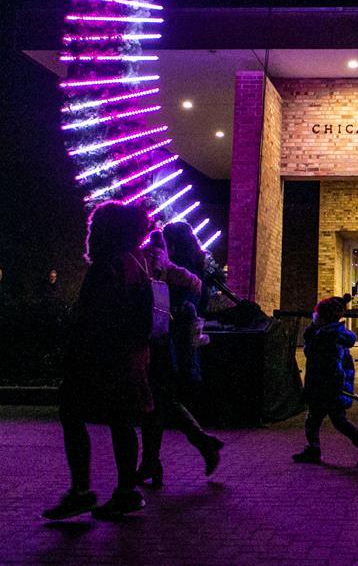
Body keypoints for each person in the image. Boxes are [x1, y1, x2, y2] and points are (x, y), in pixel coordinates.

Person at [43, 202, 154, 520]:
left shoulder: (106, 267)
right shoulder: (136, 262)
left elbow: (93, 317)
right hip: (130, 355)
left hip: (101, 357)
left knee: (71, 412)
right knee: (122, 421)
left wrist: (78, 351)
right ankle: (125, 491)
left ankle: (81, 490)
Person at [136, 224, 223, 488]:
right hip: (177, 341)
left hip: (165, 339)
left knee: (156, 399)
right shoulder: (196, 265)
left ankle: (161, 458)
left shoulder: (170, 267)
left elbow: (168, 301)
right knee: (160, 399)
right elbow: (201, 299)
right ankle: (156, 460)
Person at [292, 296, 358, 466]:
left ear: (324, 317)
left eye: (317, 315)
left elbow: (333, 364)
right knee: (319, 420)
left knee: (331, 420)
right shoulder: (323, 334)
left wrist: (336, 385)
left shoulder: (329, 337)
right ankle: (315, 448)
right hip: (322, 385)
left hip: (326, 387)